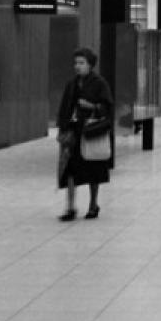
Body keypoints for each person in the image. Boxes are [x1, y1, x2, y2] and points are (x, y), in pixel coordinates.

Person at [55, 47, 114, 220]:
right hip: (73, 132)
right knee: (70, 170)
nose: (77, 66)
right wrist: (62, 129)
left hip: (90, 132)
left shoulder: (99, 83)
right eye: (76, 63)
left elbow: (108, 107)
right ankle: (70, 207)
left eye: (81, 63)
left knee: (93, 168)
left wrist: (92, 106)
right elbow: (64, 108)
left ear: (90, 65)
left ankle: (93, 204)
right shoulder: (71, 84)